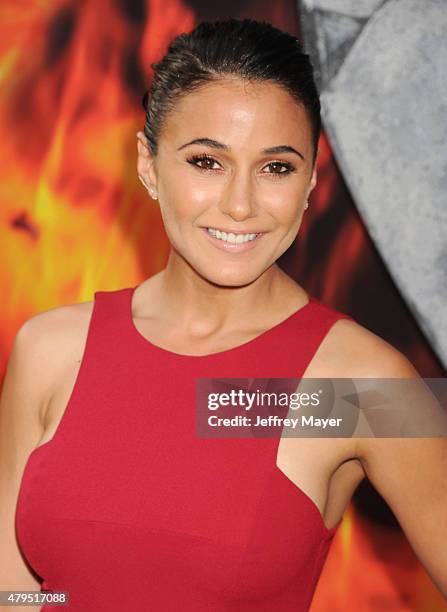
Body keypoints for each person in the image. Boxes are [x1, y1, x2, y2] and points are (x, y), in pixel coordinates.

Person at [1, 17, 446, 611]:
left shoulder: (362, 387)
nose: (240, 205)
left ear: (312, 179)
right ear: (148, 164)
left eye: (276, 167)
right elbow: (23, 592)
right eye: (207, 161)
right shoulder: (48, 349)